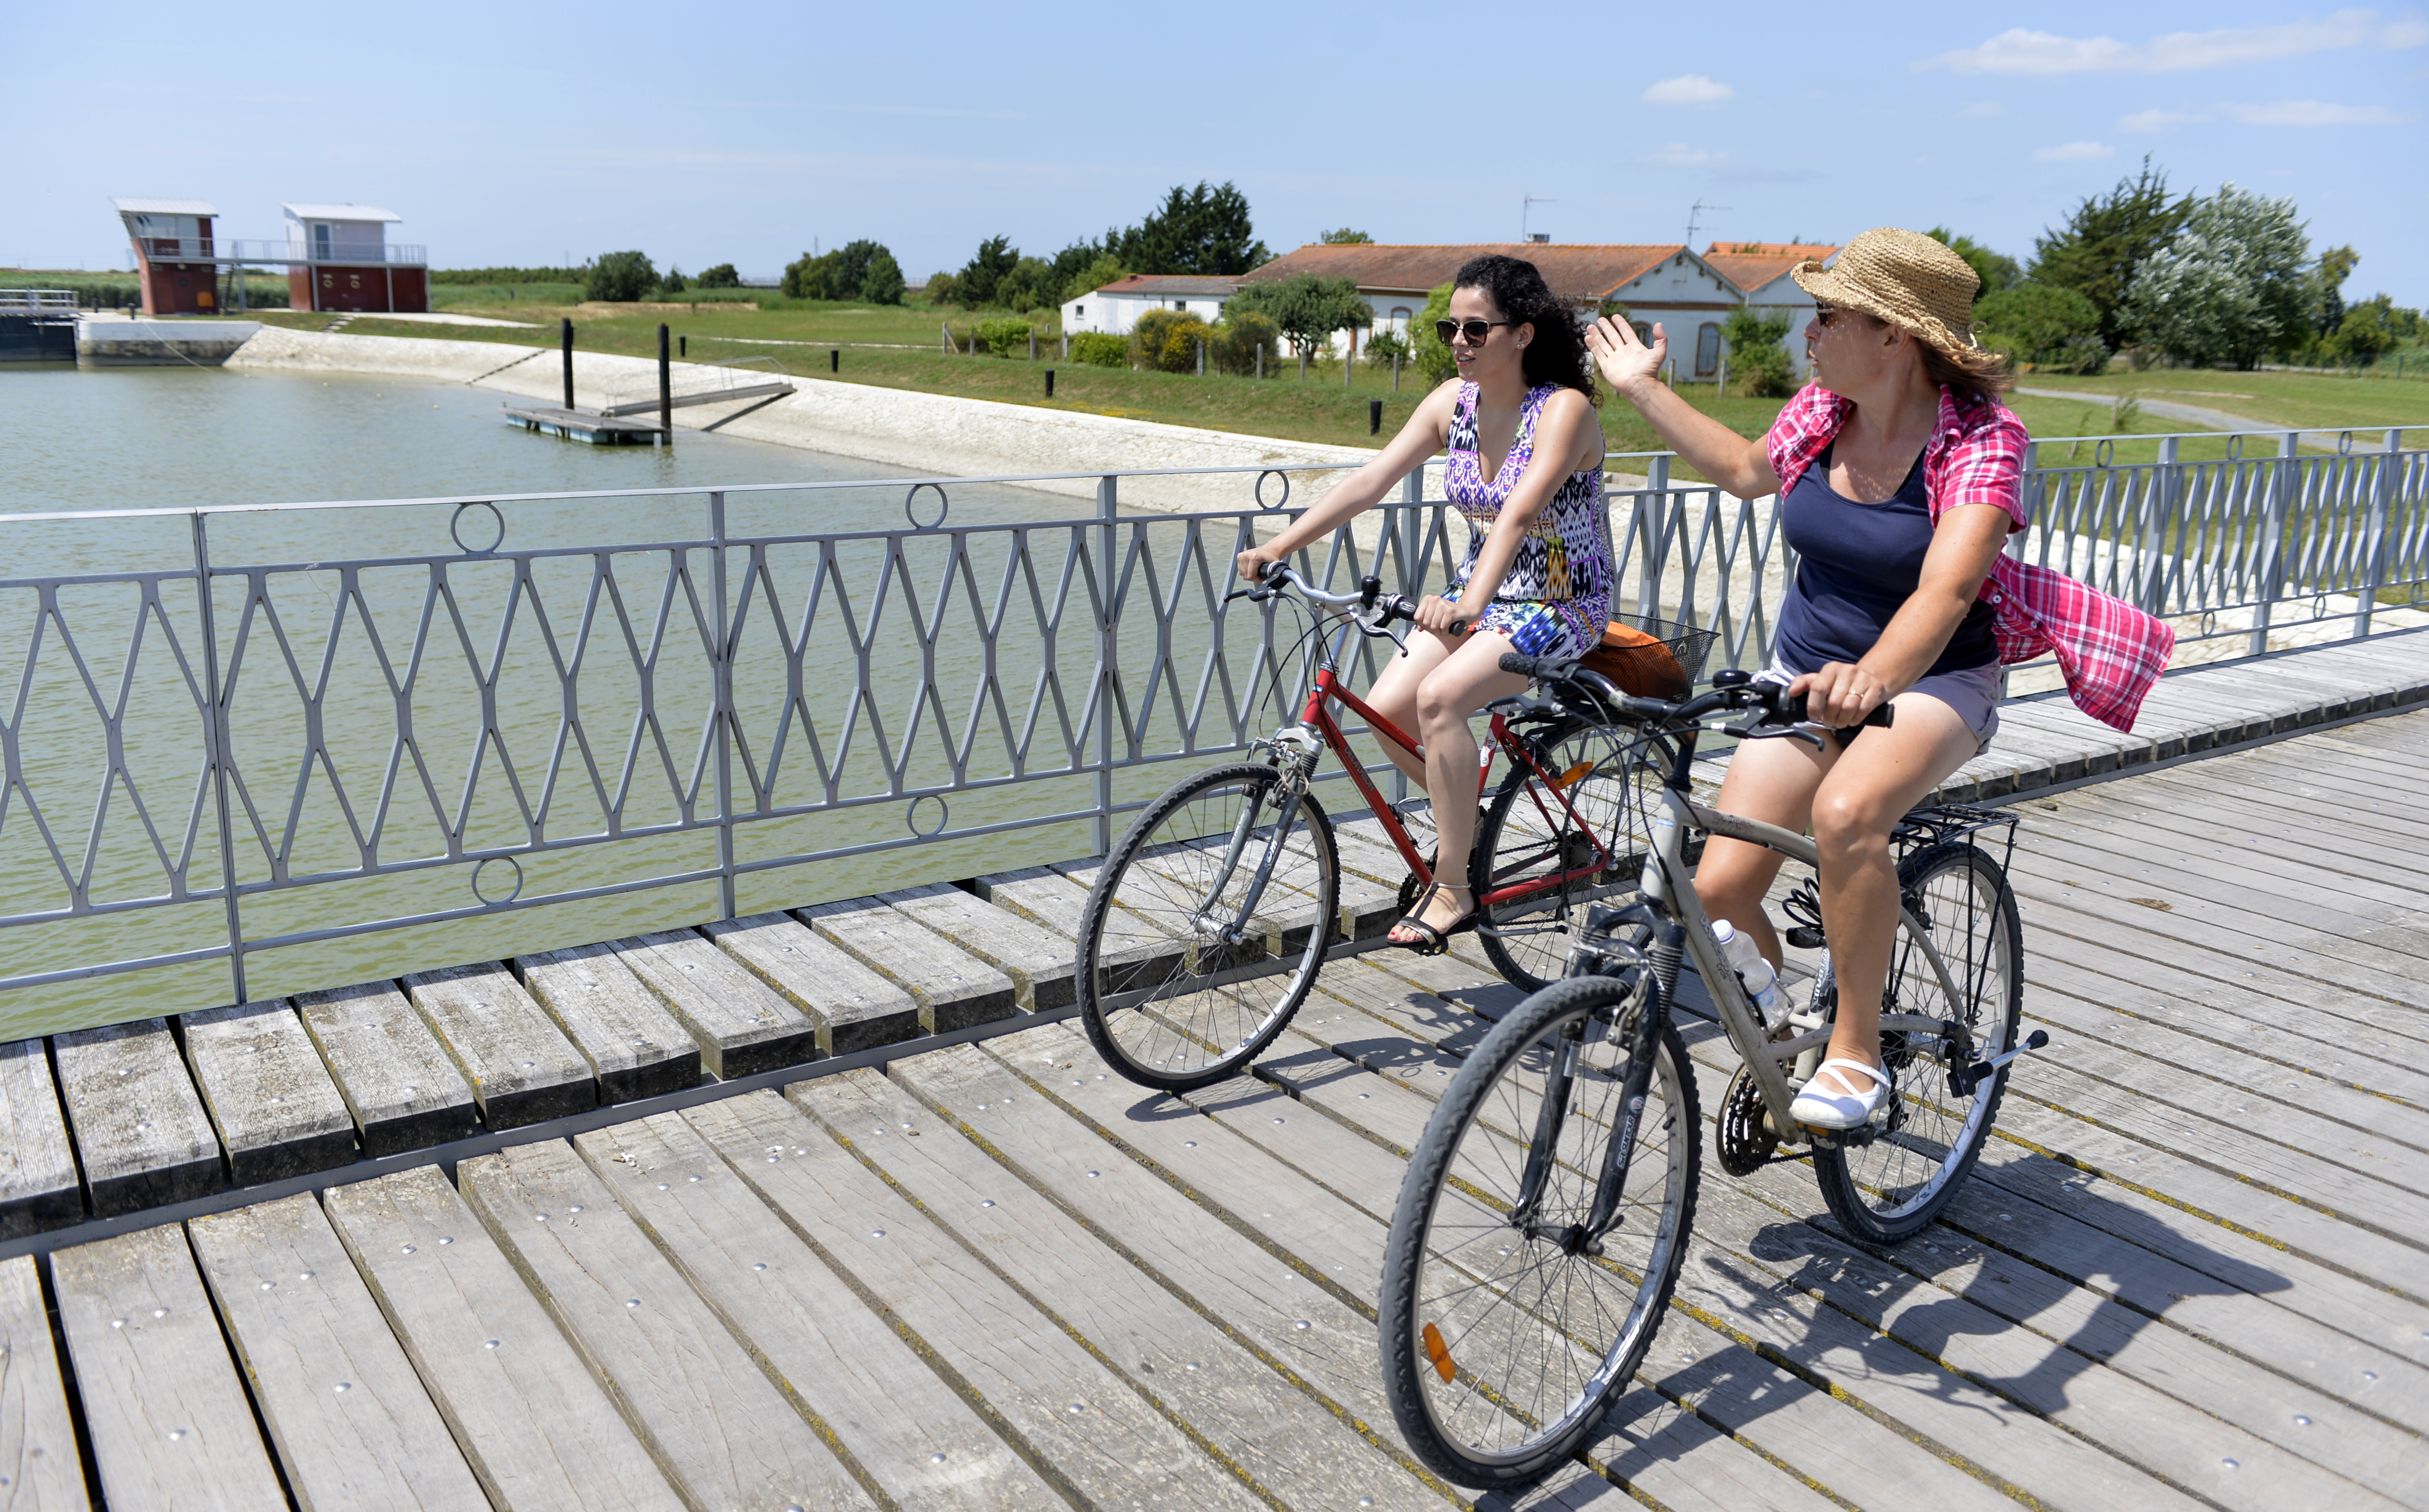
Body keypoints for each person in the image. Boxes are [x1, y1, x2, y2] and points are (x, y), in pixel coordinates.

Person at [1587, 227, 2171, 1129]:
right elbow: (1746, 472)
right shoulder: (1823, 412)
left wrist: (1872, 679)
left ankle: (1857, 1057)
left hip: (1937, 684)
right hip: (1804, 677)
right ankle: (1786, 1042)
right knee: (1719, 895)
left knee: (1849, 814)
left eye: (1827, 317)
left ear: (1895, 336)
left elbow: (1950, 587)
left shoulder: (1983, 440)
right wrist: (1640, 389)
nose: (1808, 334)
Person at [1236, 254, 1613, 954]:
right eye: (1450, 328)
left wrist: (1470, 603)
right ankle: (1465, 822)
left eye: (1476, 329)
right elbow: (1371, 481)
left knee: (1439, 700)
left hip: (1561, 602)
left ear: (1523, 335)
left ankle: (1455, 884)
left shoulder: (1564, 411)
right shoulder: (1452, 404)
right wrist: (1279, 546)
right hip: (1481, 597)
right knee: (1385, 708)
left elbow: (1520, 514)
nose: (1459, 342)